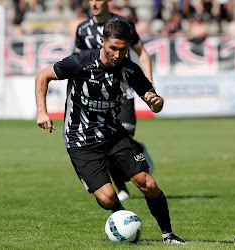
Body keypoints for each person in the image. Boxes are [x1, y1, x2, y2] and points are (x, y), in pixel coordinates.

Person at [35, 19, 188, 244]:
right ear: (102, 42)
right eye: (112, 48)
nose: (117, 54)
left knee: (148, 183)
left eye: (123, 49)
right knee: (107, 198)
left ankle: (168, 235)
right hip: (80, 138)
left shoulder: (130, 69)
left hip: (112, 132)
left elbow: (152, 99)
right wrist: (42, 111)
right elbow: (42, 76)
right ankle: (123, 221)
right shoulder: (80, 62)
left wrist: (156, 102)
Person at [74, 0, 154, 201]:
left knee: (120, 137)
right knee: (101, 142)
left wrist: (149, 85)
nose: (93, 3)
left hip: (122, 93)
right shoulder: (83, 29)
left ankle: (137, 150)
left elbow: (141, 52)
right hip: (95, 96)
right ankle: (122, 189)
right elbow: (77, 60)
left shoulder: (123, 24)